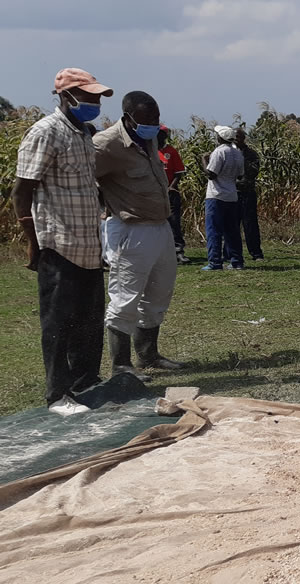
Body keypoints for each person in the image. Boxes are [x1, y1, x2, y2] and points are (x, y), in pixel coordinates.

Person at [12, 68, 113, 415]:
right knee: (58, 322)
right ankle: (58, 394)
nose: (95, 103)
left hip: (88, 243)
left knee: (89, 319)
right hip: (58, 242)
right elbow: (22, 190)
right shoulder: (45, 132)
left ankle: (86, 381)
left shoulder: (85, 133)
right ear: (66, 97)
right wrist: (32, 241)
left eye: (98, 97)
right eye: (89, 97)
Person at [93, 90, 184, 381]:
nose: (153, 124)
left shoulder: (151, 138)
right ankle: (121, 366)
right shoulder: (107, 144)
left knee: (159, 292)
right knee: (125, 297)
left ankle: (148, 354)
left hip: (160, 226)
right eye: (146, 120)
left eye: (156, 119)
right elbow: (84, 179)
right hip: (130, 229)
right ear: (128, 116)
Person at [202, 125, 245, 271]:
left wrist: (204, 161)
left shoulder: (219, 152)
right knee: (232, 231)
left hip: (216, 195)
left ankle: (215, 262)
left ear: (220, 137)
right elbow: (240, 175)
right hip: (232, 196)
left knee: (214, 230)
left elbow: (211, 174)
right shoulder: (237, 153)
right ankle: (236, 261)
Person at [157, 125, 190, 264]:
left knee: (174, 222)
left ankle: (178, 251)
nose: (158, 137)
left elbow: (179, 172)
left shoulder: (171, 151)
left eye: (161, 134)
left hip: (170, 193)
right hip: (154, 193)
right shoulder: (148, 151)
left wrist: (171, 187)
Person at [235, 127, 264, 260]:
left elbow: (253, 172)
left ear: (243, 138)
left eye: (238, 137)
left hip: (247, 192)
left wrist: (241, 160)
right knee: (232, 225)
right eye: (234, 137)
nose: (236, 140)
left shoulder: (251, 154)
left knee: (250, 224)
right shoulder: (228, 152)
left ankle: (256, 253)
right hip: (232, 193)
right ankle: (232, 253)